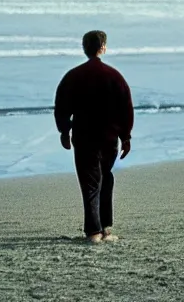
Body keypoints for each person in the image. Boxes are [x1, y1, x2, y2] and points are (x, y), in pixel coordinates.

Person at [54, 30, 134, 243]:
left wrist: (64, 131)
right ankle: (105, 228)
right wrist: (126, 136)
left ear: (84, 48)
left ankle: (94, 232)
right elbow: (126, 107)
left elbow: (61, 106)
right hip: (109, 138)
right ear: (103, 47)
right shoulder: (114, 76)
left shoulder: (73, 76)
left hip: (84, 137)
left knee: (90, 183)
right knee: (105, 178)